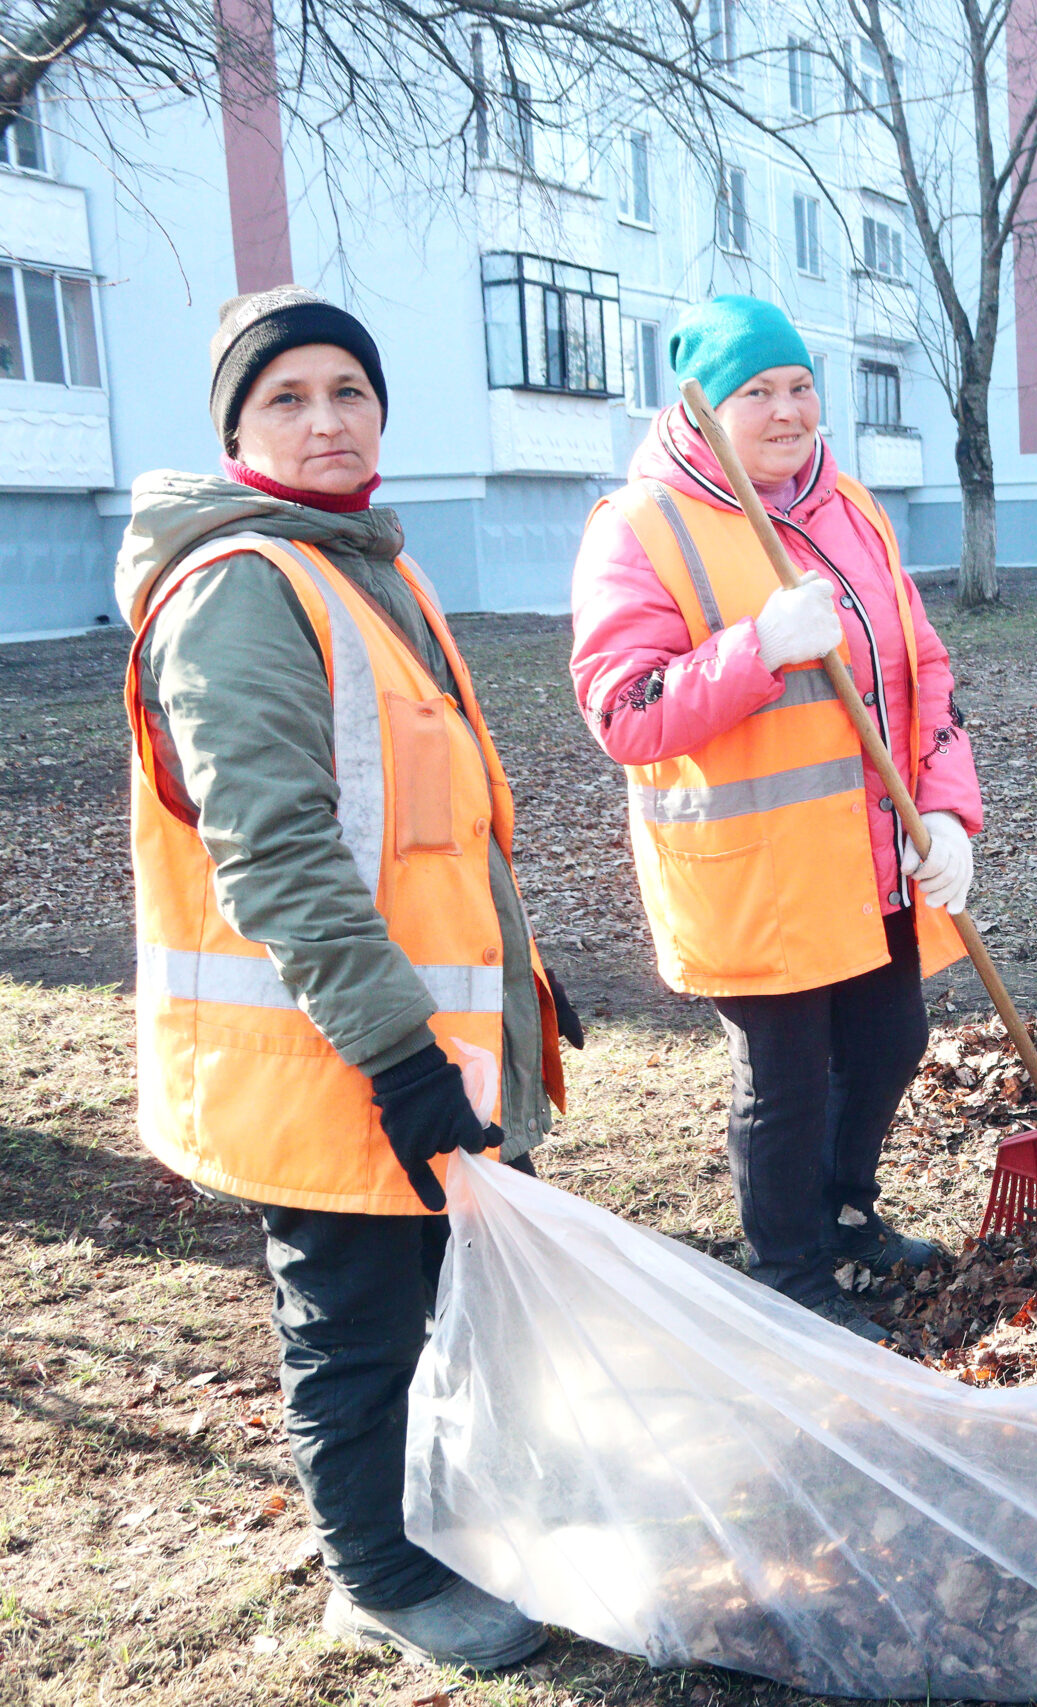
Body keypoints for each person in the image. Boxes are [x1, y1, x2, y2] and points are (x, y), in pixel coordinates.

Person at [118, 287, 575, 1667]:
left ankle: (435, 1526)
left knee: (437, 1298)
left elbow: (435, 829)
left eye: (348, 392)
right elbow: (280, 859)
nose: (326, 420)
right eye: (287, 398)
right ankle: (376, 1572)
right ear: (238, 428)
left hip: (416, 1036)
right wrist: (398, 1051)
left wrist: (513, 990)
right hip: (327, 1056)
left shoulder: (365, 560)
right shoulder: (243, 590)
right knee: (356, 1319)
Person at [568, 295, 981, 1342]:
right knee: (786, 1082)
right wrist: (756, 649)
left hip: (873, 853)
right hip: (756, 866)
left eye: (800, 386)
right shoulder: (642, 527)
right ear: (701, 408)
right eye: (757, 393)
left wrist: (947, 811)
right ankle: (787, 1269)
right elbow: (625, 713)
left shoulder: (850, 506)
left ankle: (843, 1213)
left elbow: (922, 667)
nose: (789, 411)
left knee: (889, 1041)